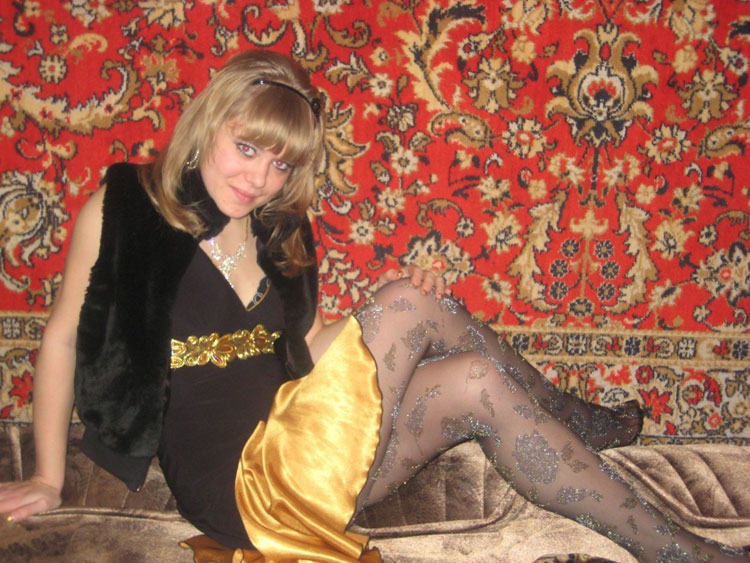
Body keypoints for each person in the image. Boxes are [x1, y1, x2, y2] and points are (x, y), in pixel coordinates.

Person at [0, 50, 744, 563]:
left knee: (473, 380)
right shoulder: (129, 206)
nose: (260, 178)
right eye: (247, 148)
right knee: (409, 306)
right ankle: (579, 418)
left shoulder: (279, 230)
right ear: (209, 122)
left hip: (309, 451)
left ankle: (683, 553)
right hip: (238, 484)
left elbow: (303, 355)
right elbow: (62, 338)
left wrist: (377, 313)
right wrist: (48, 476)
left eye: (281, 163)